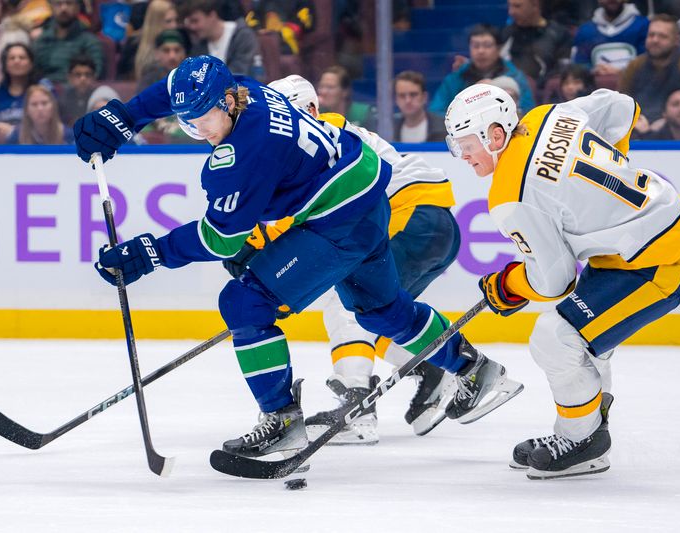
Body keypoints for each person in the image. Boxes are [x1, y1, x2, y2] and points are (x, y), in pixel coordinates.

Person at [72, 55, 523, 460]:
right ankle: (476, 370)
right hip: (366, 199)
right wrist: (125, 117)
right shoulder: (246, 89)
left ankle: (282, 421)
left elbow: (222, 240)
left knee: (244, 304)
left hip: (338, 221)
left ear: (228, 102)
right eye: (189, 123)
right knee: (383, 312)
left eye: (206, 118)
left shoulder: (243, 154)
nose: (201, 131)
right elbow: (173, 89)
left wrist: (152, 252)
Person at [443, 83, 680, 479]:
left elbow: (552, 283)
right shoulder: (547, 116)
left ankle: (582, 440)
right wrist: (612, 180)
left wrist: (510, 286)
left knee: (555, 337)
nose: (462, 156)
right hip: (646, 237)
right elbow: (620, 105)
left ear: (495, 135)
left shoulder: (511, 194)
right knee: (580, 330)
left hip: (658, 265)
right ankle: (593, 418)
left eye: (465, 145)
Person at [256, 74, 465, 443]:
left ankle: (357, 403)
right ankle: (432, 369)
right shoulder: (312, 145)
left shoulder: (326, 130)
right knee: (374, 312)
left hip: (411, 215)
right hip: (432, 224)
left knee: (347, 297)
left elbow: (305, 216)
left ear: (309, 109)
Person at [618, 15, 680, 134]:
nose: (655, 40)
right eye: (651, 35)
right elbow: (621, 103)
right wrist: (636, 121)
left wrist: (670, 123)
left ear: (676, 40)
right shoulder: (635, 65)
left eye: (662, 36)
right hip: (639, 131)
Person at [430, 25, 534, 114]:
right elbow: (437, 112)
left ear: (498, 49)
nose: (481, 51)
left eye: (487, 45)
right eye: (475, 46)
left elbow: (527, 111)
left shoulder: (516, 77)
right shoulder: (455, 78)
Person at [500, 0, 573, 85]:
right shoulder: (506, 33)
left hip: (545, 91)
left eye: (517, 6)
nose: (511, 12)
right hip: (510, 88)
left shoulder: (559, 34)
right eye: (509, 6)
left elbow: (563, 69)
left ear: (535, 5)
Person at [0, 43, 51, 143]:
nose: (17, 61)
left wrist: (14, 132)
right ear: (5, 64)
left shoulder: (43, 91)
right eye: (12, 58)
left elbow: (51, 124)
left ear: (31, 63)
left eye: (22, 58)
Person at [571, 0, 649, 76]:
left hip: (635, 87)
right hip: (595, 87)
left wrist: (623, 72)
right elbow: (579, 66)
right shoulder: (585, 31)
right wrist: (592, 70)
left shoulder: (644, 26)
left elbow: (648, 63)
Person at [182, 0, 259, 76]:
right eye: (190, 23)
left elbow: (242, 72)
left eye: (195, 21)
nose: (192, 27)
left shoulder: (242, 36)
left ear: (212, 15)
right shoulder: (199, 46)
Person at [32, 0, 103, 83]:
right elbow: (32, 73)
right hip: (44, 91)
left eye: (69, 3)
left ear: (78, 7)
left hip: (77, 92)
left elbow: (95, 74)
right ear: (51, 7)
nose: (63, 8)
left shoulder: (90, 42)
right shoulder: (42, 40)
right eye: (58, 3)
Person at [117, 0, 178, 82]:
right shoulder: (134, 43)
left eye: (176, 20)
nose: (174, 26)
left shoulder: (180, 41)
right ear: (156, 22)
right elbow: (122, 78)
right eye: (168, 21)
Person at [392, 70, 447, 143]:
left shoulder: (445, 128)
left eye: (413, 94)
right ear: (396, 99)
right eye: (402, 95)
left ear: (424, 97)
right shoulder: (389, 131)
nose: (408, 100)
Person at [8, 84, 73, 144]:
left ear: (53, 107)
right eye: (34, 104)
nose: (40, 109)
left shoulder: (68, 135)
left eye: (44, 103)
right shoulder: (16, 135)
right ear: (26, 110)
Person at [57, 54, 96, 126]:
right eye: (78, 74)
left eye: (87, 74)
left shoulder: (98, 98)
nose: (83, 79)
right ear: (69, 77)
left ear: (93, 77)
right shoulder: (62, 100)